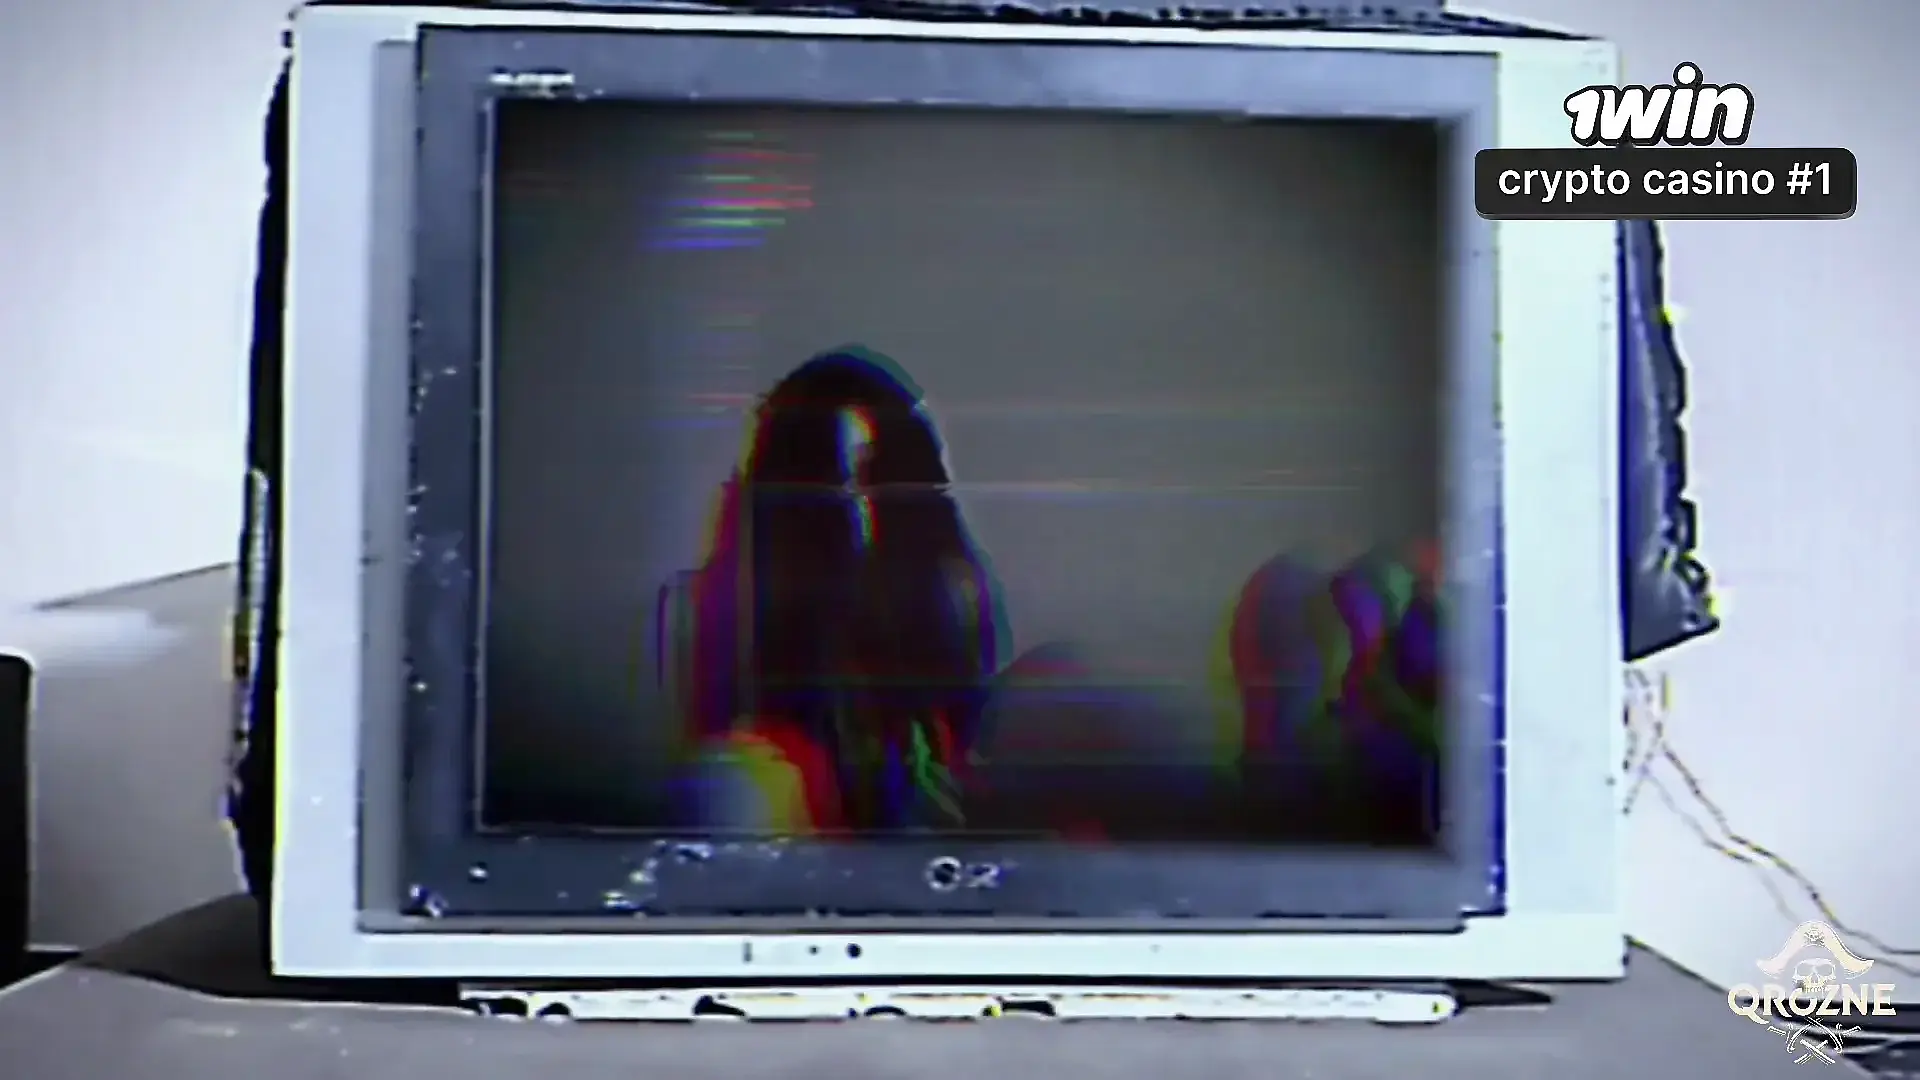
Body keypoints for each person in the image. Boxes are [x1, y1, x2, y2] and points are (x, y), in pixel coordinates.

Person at [677, 347, 1003, 832]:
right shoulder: (746, 618)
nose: (859, 505)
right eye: (836, 482)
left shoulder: (949, 599)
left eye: (876, 476)